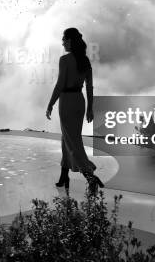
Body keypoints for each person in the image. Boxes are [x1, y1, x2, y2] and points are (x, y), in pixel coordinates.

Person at [46, 28, 104, 195]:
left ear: (70, 40)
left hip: (67, 102)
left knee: (72, 142)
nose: (62, 42)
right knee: (68, 139)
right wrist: (90, 108)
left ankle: (90, 177)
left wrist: (50, 104)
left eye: (64, 39)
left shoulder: (64, 60)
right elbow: (90, 87)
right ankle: (64, 176)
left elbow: (59, 85)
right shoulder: (85, 61)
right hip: (79, 101)